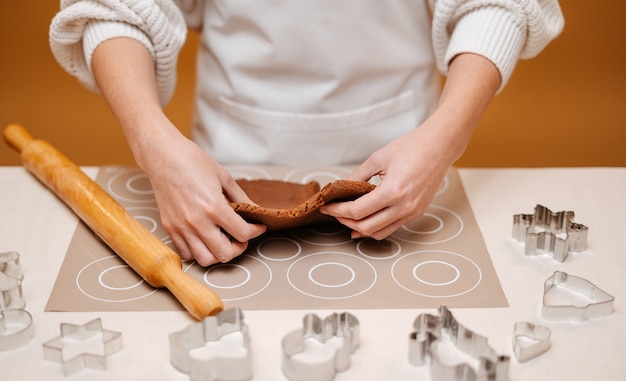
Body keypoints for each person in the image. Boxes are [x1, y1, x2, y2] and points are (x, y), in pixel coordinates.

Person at [49, 0, 564, 266]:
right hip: (228, 160)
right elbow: (115, 4)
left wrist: (446, 138)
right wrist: (152, 144)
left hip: (405, 154)